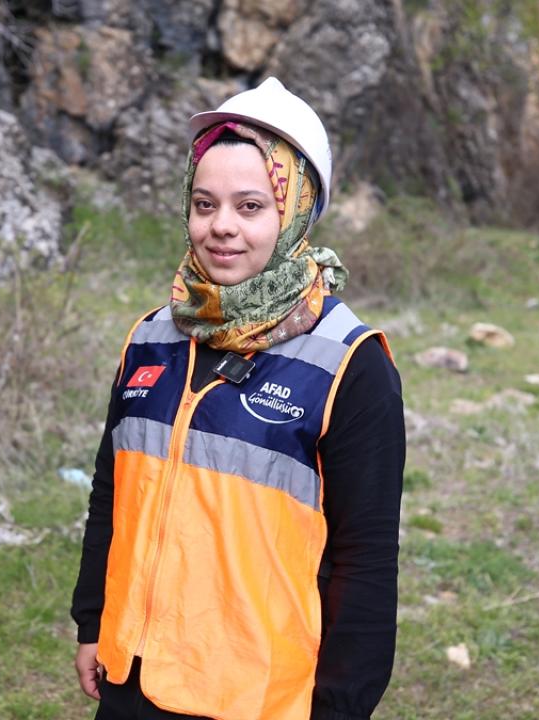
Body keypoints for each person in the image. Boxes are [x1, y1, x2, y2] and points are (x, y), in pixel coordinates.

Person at [71, 77, 406, 720]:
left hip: (258, 699)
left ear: (296, 211)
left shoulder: (350, 364)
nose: (220, 227)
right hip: (133, 677)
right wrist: (92, 620)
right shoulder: (150, 339)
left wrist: (339, 707)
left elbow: (365, 562)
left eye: (250, 206)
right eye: (204, 203)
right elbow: (111, 491)